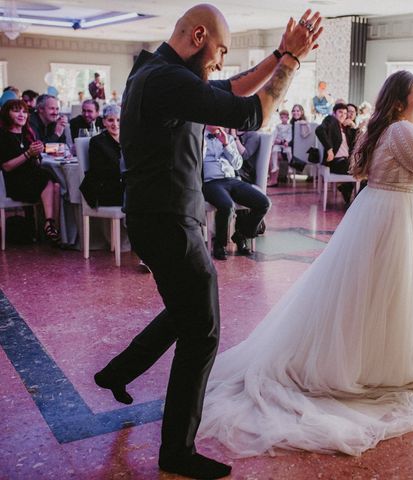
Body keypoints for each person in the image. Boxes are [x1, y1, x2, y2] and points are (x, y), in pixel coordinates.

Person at [197, 70, 413, 457]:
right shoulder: (401, 130)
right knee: (390, 293)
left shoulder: (391, 128)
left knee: (376, 293)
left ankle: (373, 358)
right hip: (396, 217)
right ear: (399, 100)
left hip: (385, 211)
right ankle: (380, 365)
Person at [92, 5, 322, 479]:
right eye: (219, 50)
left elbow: (230, 88)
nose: (219, 61)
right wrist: (292, 63)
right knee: (203, 330)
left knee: (186, 311)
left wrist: (279, 53)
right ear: (198, 36)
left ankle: (117, 372)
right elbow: (252, 113)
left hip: (162, 216)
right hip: (169, 222)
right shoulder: (166, 80)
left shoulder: (158, 73)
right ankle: (176, 450)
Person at [202, 126, 270, 260]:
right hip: (211, 182)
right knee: (226, 206)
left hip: (233, 179)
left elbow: (238, 164)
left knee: (263, 203)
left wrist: (226, 144)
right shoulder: (199, 138)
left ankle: (241, 235)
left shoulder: (229, 138)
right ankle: (219, 245)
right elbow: (195, 162)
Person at [0, 99, 61, 243]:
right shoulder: (3, 136)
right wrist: (28, 154)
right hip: (13, 183)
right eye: (16, 111)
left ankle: (51, 227)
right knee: (47, 179)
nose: (21, 114)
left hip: (31, 179)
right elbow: (7, 167)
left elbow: (35, 161)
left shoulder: (27, 134)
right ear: (6, 114)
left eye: (24, 111)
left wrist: (38, 153)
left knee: (57, 185)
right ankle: (50, 225)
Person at [79, 105, 123, 208]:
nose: (115, 124)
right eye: (110, 120)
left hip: (122, 185)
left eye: (118, 120)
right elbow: (99, 171)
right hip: (104, 189)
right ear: (104, 122)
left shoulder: (127, 139)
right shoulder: (97, 142)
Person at [315, 102, 354, 205]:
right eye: (340, 112)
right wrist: (329, 149)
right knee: (361, 169)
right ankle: (354, 201)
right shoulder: (331, 120)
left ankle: (348, 192)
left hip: (345, 161)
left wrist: (353, 126)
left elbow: (355, 144)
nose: (343, 115)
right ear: (334, 113)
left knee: (364, 170)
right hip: (335, 162)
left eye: (345, 113)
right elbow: (319, 130)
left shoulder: (344, 128)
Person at [269, 109, 292, 186]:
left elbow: (290, 135)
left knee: (289, 152)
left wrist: (287, 141)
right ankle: (275, 166)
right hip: (279, 142)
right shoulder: (278, 126)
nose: (283, 119)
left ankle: (290, 166)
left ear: (288, 118)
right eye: (282, 117)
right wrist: (273, 141)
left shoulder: (289, 126)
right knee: (274, 151)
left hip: (286, 143)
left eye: (285, 117)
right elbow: (275, 134)